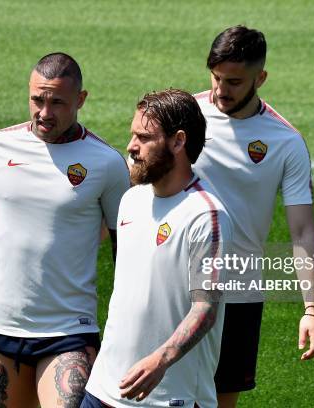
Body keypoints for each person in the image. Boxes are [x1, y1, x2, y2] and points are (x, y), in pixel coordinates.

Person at [0, 52, 130, 408]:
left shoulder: (106, 163)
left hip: (69, 331)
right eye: (37, 99)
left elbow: (125, 247)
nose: (45, 112)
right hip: (3, 327)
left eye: (57, 102)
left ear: (81, 99)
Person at [192, 25, 314, 407]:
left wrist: (311, 308)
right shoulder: (184, 114)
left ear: (260, 78)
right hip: (172, 286)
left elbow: (302, 230)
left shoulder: (286, 141)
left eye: (234, 81)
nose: (220, 90)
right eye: (216, 77)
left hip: (238, 295)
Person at [82, 89, 234, 408]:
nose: (131, 146)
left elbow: (206, 307)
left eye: (144, 137)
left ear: (178, 142)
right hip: (104, 388)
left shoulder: (206, 214)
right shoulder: (131, 200)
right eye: (132, 135)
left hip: (168, 397)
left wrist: (161, 360)